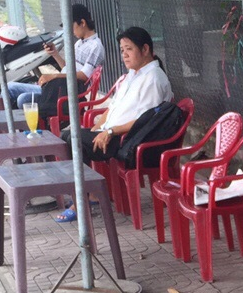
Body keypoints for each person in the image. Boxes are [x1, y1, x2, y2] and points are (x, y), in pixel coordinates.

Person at [56, 25, 172, 221]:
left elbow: (145, 122)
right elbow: (111, 109)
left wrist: (109, 132)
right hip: (113, 134)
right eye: (122, 50)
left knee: (74, 140)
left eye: (129, 49)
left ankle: (82, 201)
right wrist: (95, 129)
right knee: (68, 136)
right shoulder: (132, 75)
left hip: (129, 141)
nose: (124, 55)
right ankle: (88, 194)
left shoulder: (153, 78)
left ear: (145, 49)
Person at [8, 4, 105, 116]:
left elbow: (84, 75)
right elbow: (68, 69)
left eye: (71, 26)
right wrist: (55, 54)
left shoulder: (95, 46)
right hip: (56, 88)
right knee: (9, 87)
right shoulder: (79, 43)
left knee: (23, 99)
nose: (70, 31)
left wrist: (54, 76)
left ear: (82, 23)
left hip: (66, 94)